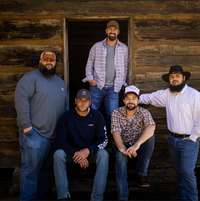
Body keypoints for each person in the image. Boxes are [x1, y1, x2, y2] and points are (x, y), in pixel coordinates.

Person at [139, 65, 200, 201]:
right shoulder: (167, 94)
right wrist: (134, 98)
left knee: (187, 173)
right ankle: (183, 198)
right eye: (172, 77)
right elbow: (151, 97)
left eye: (177, 76)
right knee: (179, 173)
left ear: (184, 78)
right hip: (173, 140)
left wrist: (194, 137)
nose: (174, 79)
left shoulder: (194, 95)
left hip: (189, 141)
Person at [14, 50, 68, 200]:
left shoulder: (60, 83)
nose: (49, 63)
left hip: (54, 137)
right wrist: (27, 128)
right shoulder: (30, 78)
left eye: (52, 60)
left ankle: (42, 197)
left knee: (45, 171)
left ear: (55, 63)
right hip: (34, 135)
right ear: (40, 61)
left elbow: (65, 108)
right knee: (31, 171)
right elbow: (21, 102)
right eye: (46, 60)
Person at [53, 89, 109, 201]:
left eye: (85, 100)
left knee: (104, 154)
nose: (83, 103)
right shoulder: (66, 117)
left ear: (90, 102)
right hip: (72, 153)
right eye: (80, 100)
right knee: (58, 154)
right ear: (75, 101)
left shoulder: (97, 116)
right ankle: (63, 195)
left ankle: (97, 197)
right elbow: (59, 140)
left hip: (90, 153)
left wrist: (87, 151)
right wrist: (76, 153)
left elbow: (103, 139)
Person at [82, 20, 129, 137]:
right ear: (106, 31)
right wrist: (91, 79)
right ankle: (92, 137)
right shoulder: (96, 47)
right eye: (110, 29)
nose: (112, 31)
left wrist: (121, 82)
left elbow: (126, 67)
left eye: (115, 29)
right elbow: (89, 64)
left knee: (113, 116)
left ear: (118, 31)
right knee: (92, 113)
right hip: (97, 86)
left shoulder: (124, 48)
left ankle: (109, 139)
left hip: (114, 88)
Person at [111, 85, 155, 201]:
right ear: (124, 100)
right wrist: (123, 149)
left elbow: (151, 127)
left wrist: (136, 145)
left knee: (151, 138)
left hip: (137, 145)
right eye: (128, 98)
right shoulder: (116, 113)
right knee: (120, 157)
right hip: (121, 145)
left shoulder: (143, 112)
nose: (131, 101)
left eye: (133, 98)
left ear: (138, 100)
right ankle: (123, 196)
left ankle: (141, 173)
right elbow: (116, 133)